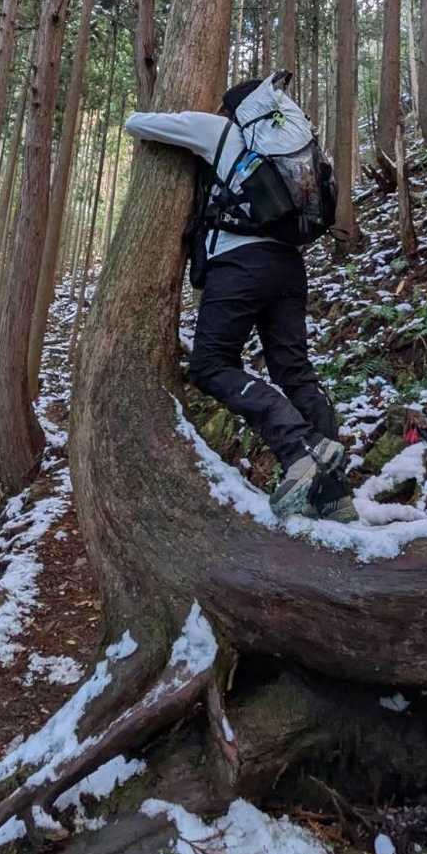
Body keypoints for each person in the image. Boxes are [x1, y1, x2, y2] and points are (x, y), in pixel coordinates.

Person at [125, 72, 357, 523]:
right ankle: (334, 496)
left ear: (234, 110)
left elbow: (138, 124)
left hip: (239, 265)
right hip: (289, 266)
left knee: (211, 366)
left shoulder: (219, 131)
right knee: (295, 371)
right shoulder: (292, 142)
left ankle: (300, 448)